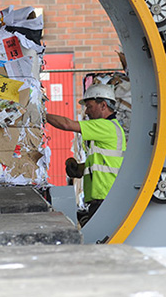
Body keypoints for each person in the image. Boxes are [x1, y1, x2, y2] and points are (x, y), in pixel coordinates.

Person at [46, 83, 126, 226]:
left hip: (104, 196)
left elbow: (67, 124)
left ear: (103, 105)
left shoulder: (106, 126)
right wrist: (79, 169)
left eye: (89, 106)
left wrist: (42, 115)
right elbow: (102, 163)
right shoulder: (107, 128)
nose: (87, 112)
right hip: (103, 197)